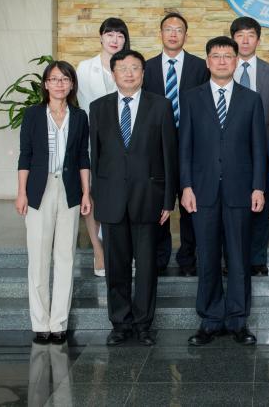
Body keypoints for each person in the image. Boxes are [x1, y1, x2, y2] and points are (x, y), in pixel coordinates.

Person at [180, 36, 268, 346]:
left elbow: (259, 148)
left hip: (240, 190)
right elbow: (184, 147)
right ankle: (210, 319)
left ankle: (238, 320)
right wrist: (186, 186)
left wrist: (258, 187)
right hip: (201, 190)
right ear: (207, 61)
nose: (221, 61)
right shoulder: (191, 98)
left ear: (236, 60)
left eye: (227, 56)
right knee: (207, 257)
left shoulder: (251, 99)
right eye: (215, 56)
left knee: (239, 257)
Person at [89, 50, 177, 347]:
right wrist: (97, 197)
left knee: (148, 266)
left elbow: (169, 155)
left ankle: (143, 324)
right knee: (116, 265)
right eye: (123, 68)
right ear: (113, 73)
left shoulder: (160, 106)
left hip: (149, 198)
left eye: (135, 68)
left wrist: (168, 200)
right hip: (112, 199)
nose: (129, 73)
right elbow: (95, 156)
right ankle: (120, 323)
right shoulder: (98, 108)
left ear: (143, 73)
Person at [16, 60, 92, 344]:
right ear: (46, 84)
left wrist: (86, 193)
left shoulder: (79, 116)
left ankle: (58, 322)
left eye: (65, 79)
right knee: (38, 257)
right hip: (40, 189)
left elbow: (83, 156)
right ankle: (40, 323)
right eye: (54, 79)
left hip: (69, 190)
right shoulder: (33, 115)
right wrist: (21, 192)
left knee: (65, 257)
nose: (60, 84)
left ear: (72, 85)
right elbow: (25, 155)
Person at [143, 12, 210, 276]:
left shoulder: (200, 67)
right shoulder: (146, 68)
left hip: (191, 146)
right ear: (160, 33)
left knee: (190, 204)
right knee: (158, 203)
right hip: (156, 148)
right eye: (168, 29)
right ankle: (159, 257)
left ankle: (188, 258)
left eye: (178, 29)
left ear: (186, 35)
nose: (173, 34)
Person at [76, 17, 130, 277]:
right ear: (101, 37)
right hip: (92, 141)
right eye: (110, 34)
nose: (114, 40)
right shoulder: (84, 68)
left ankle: (122, 251)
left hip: (125, 144)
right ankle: (99, 251)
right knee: (92, 195)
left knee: (123, 195)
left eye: (120, 35)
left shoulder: (130, 65)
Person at [230, 16, 269, 276]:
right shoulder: (222, 68)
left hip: (264, 151)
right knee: (231, 209)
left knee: (261, 208)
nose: (245, 40)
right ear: (233, 39)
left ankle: (257, 259)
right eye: (240, 35)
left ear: (258, 40)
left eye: (250, 35)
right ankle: (232, 258)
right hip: (230, 154)